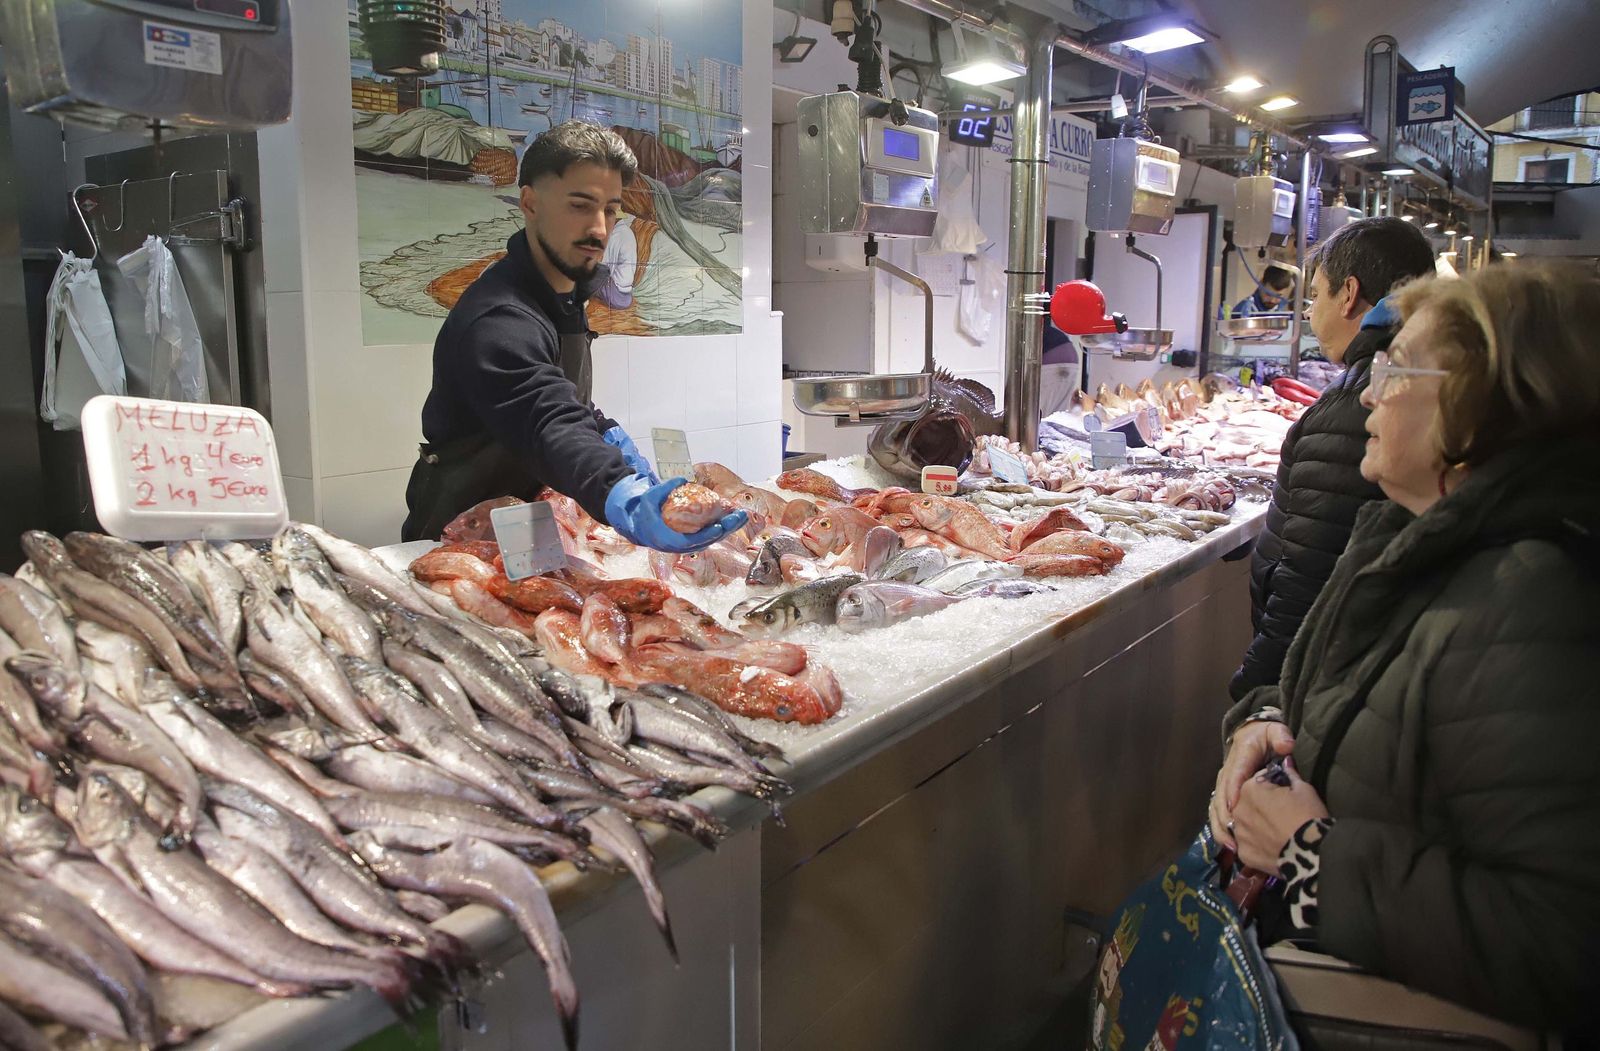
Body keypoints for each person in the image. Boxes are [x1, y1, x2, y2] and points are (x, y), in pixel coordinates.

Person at [1209, 261, 1600, 1031]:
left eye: (1397, 367)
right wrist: (1261, 725)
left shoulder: (1537, 597)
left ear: (1486, 404)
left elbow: (1568, 941)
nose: (1367, 390)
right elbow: (1332, 693)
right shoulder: (1402, 533)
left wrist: (1310, 857)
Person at [401, 121, 745, 550]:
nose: (600, 228)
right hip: (459, 540)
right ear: (529, 203)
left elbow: (560, 394)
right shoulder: (498, 318)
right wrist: (619, 490)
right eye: (581, 206)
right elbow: (545, 417)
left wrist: (605, 431)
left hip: (526, 527)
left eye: (611, 209)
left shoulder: (562, 295)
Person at [1229, 217, 1434, 700]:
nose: (1310, 313)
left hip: (1322, 676)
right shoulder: (1400, 380)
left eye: (1315, 296)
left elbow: (1306, 578)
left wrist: (1258, 695)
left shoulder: (1360, 405)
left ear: (1349, 294)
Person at [1230, 262, 1295, 318]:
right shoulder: (1244, 309)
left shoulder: (1284, 308)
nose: (1272, 300)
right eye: (1268, 294)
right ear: (1261, 284)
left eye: (1278, 296)